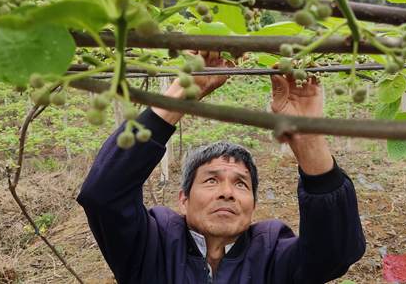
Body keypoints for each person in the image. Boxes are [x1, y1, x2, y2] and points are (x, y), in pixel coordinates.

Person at [77, 52, 366, 283]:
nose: (227, 192)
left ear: (253, 206)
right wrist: (180, 94)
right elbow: (103, 195)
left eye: (241, 183)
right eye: (211, 180)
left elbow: (335, 252)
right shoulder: (150, 248)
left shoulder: (273, 257)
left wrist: (308, 138)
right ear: (183, 199)